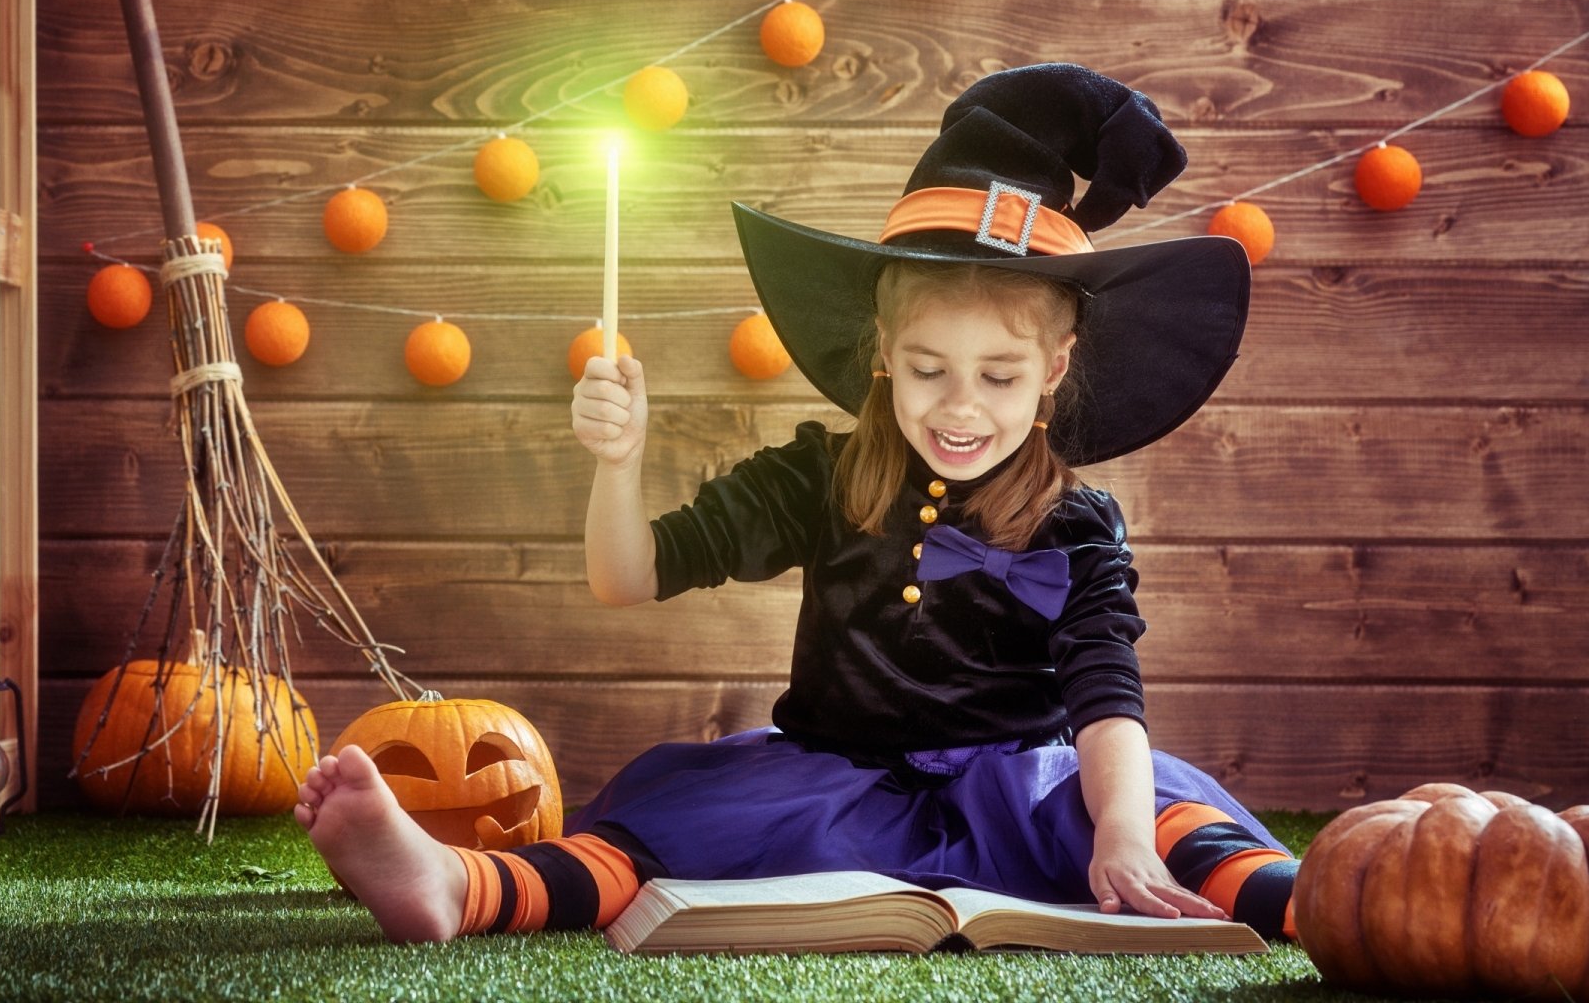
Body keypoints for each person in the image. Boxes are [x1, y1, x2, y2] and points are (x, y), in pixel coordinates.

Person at [297, 63, 1298, 946]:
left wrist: (1118, 834)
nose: (960, 406)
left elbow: (1105, 696)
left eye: (998, 376)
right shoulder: (815, 475)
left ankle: (1326, 905)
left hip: (1022, 790)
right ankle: (459, 884)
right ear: (880, 357)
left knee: (1157, 818)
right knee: (665, 833)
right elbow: (625, 577)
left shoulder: (1078, 525)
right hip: (830, 784)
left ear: (1052, 372)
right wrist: (620, 461)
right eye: (927, 369)